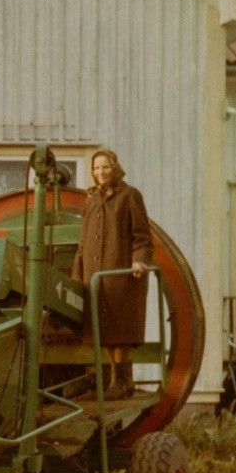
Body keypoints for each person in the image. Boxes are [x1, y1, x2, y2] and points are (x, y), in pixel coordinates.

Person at [71, 149, 154, 400]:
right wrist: (78, 275)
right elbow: (83, 242)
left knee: (120, 330)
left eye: (105, 167)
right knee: (102, 330)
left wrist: (139, 262)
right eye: (96, 169)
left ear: (115, 167)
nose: (100, 173)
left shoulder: (130, 196)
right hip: (94, 275)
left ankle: (121, 381)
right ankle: (119, 382)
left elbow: (142, 237)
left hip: (121, 275)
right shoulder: (91, 200)